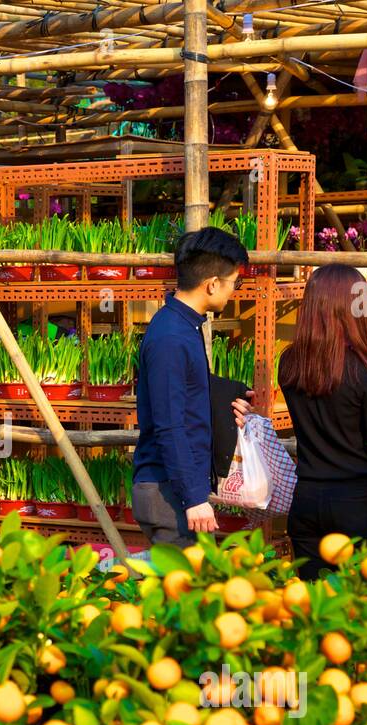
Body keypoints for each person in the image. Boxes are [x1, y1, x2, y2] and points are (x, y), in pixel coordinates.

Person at [275, 264, 367, 578]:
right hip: (357, 502)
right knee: (362, 604)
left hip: (307, 499)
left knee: (314, 606)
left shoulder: (290, 363)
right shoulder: (365, 369)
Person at [132, 227, 249, 545]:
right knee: (184, 593)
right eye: (234, 283)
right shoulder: (172, 336)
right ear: (212, 284)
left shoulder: (183, 325)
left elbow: (186, 391)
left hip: (175, 490)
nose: (233, 292)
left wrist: (231, 394)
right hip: (170, 494)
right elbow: (169, 423)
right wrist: (194, 498)